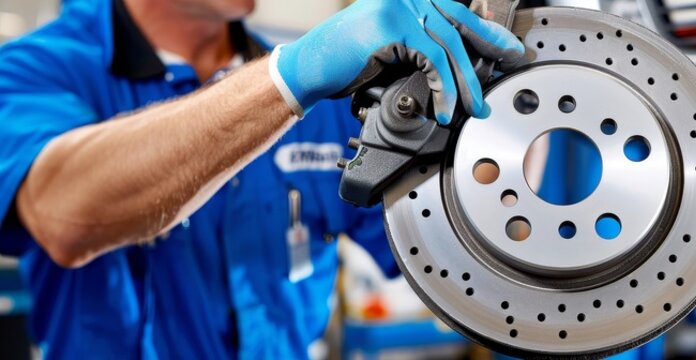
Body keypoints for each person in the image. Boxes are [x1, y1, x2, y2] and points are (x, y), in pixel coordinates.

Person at [0, 0, 523, 357]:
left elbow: (463, 259)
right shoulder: (34, 68)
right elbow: (64, 213)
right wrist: (286, 81)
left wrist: (514, 112)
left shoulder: (335, 84)